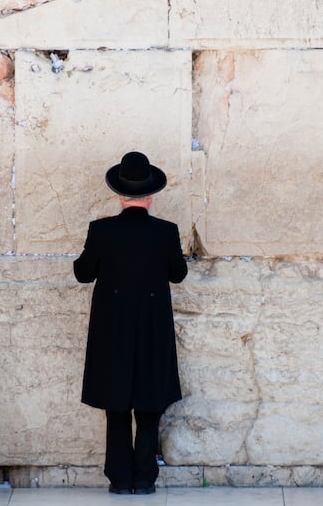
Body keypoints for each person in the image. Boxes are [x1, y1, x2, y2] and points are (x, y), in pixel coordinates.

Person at [74, 151, 188, 495]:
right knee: (150, 403)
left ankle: (120, 480)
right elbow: (178, 275)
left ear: (119, 195)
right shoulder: (166, 231)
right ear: (150, 195)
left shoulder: (101, 230)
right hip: (153, 327)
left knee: (117, 403)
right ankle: (144, 478)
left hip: (113, 329)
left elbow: (82, 273)